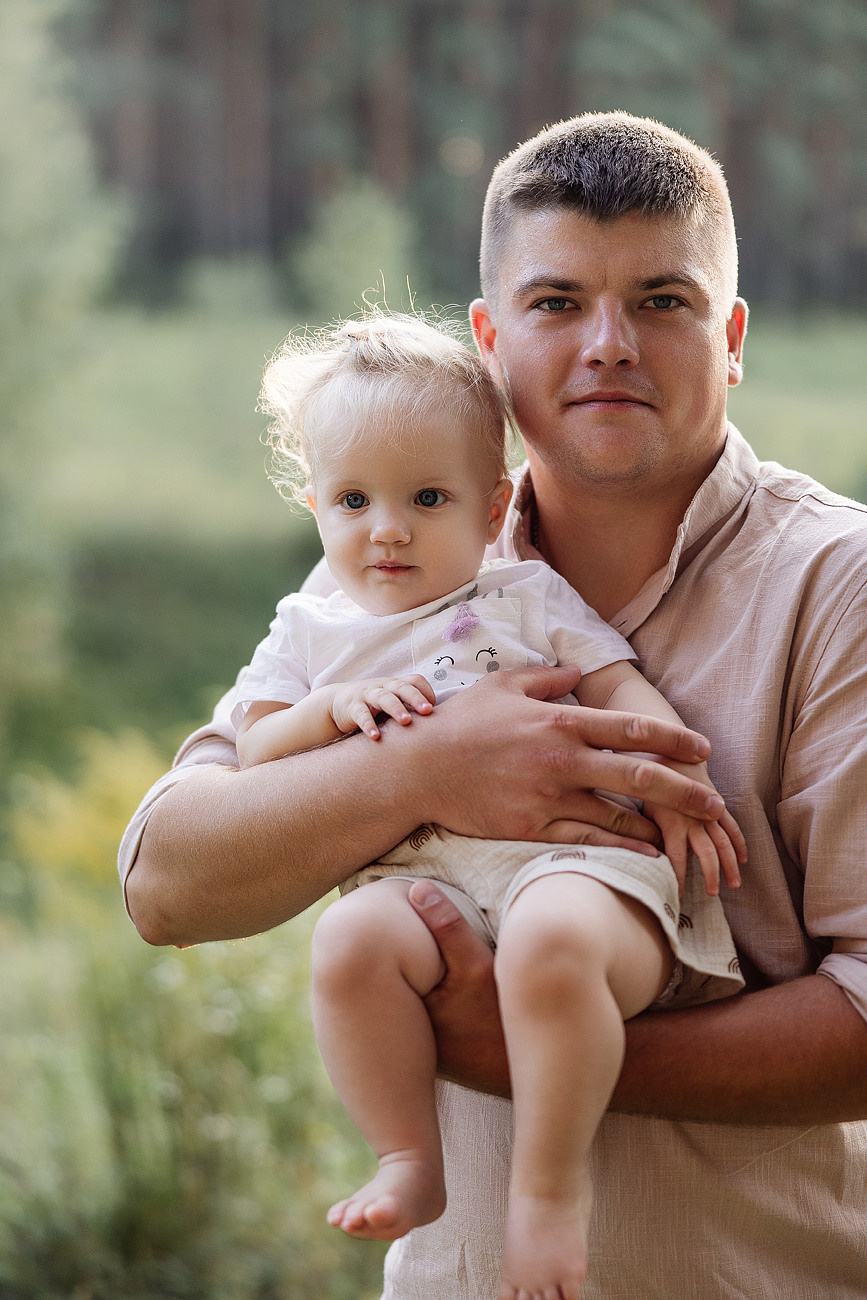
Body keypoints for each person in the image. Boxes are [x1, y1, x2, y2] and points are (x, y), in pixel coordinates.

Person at [119, 111, 867, 1299]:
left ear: (731, 338)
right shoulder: (384, 568)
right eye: (558, 302)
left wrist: (513, 1048)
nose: (608, 343)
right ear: (490, 341)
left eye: (663, 302)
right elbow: (164, 878)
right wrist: (420, 770)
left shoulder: (839, 584)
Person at [231, 312, 744, 1298]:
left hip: (574, 863)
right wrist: (329, 712)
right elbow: (256, 747)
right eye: (352, 499)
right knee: (348, 947)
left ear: (491, 501)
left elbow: (620, 686)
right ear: (314, 504)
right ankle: (406, 1156)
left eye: (427, 497)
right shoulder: (309, 631)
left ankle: (547, 1199)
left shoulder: (524, 594)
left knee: (552, 944)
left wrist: (678, 781)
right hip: (429, 887)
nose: (388, 527)